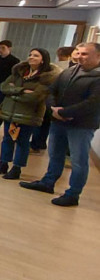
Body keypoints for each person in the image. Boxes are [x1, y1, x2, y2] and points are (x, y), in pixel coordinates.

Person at [20, 42, 100, 207]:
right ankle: (48, 182)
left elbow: (92, 104)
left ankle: (73, 194)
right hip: (58, 121)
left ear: (98, 56)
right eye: (79, 52)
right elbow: (52, 91)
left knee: (78, 160)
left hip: (81, 125)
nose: (79, 56)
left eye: (85, 54)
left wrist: (63, 112)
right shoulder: (70, 71)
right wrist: (54, 109)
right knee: (55, 154)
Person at [0, 48, 59, 180]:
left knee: (22, 141)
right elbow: (4, 87)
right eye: (30, 54)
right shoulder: (19, 71)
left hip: (28, 115)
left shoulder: (46, 77)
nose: (31, 57)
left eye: (36, 56)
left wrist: (13, 93)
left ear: (43, 59)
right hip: (10, 112)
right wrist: (21, 90)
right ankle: (3, 164)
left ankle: (17, 168)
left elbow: (36, 96)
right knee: (7, 139)